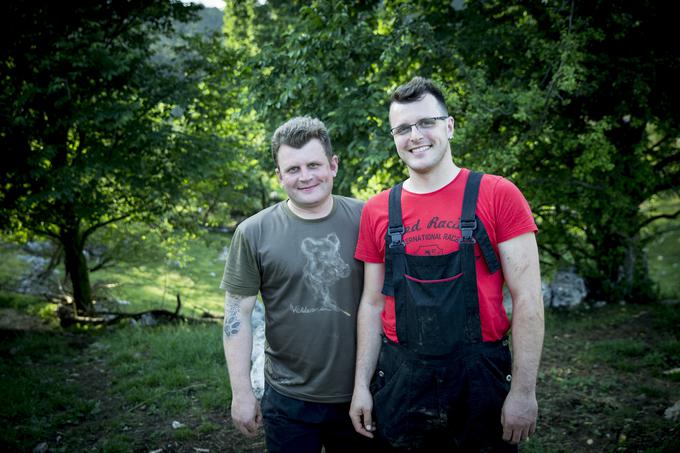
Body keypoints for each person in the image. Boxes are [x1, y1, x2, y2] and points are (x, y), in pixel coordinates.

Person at [349, 77, 544, 451]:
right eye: (403, 128)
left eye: (426, 122)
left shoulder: (498, 195)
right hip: (401, 380)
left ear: (449, 126)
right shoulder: (377, 210)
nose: (415, 135)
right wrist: (361, 387)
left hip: (479, 380)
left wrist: (523, 392)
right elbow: (372, 304)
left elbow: (529, 302)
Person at [221, 116, 371, 453]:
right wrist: (242, 392)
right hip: (288, 398)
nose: (305, 177)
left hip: (362, 393)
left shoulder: (367, 219)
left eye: (314, 165)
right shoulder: (253, 232)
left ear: (333, 165)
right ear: (279, 175)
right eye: (293, 169)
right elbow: (237, 316)